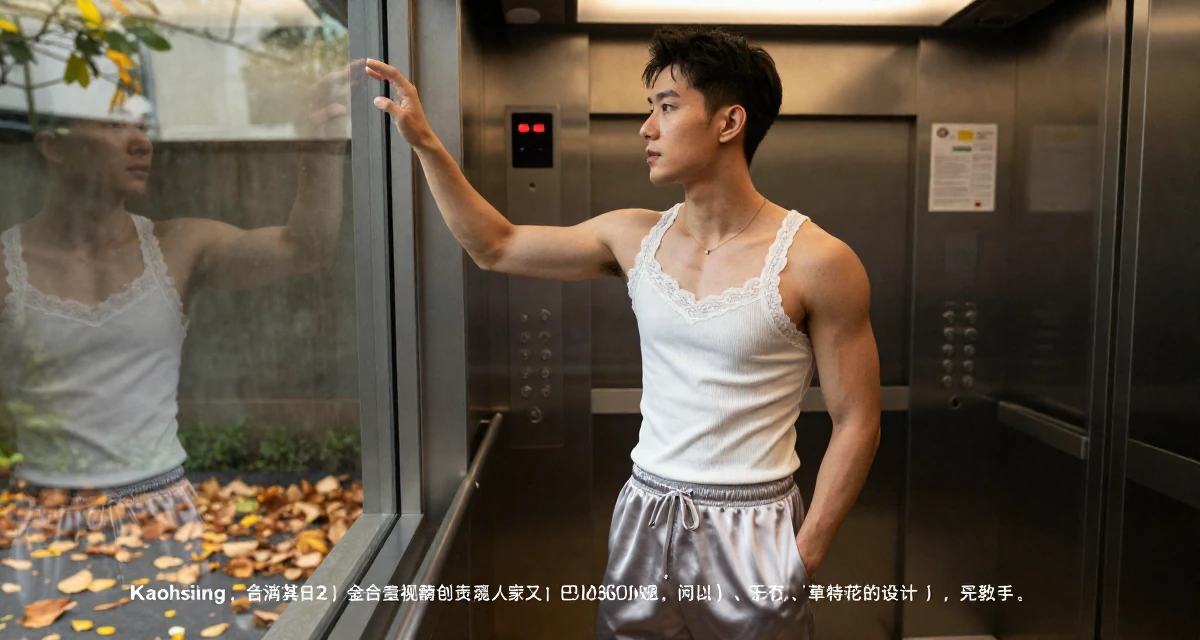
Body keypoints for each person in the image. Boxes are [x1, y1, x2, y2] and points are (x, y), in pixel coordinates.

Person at [367, 25, 881, 639]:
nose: (647, 128)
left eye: (667, 107)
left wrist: (805, 554)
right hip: (645, 514)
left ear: (729, 122)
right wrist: (426, 143)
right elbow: (495, 246)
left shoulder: (819, 260)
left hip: (755, 528)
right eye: (649, 108)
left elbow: (858, 420)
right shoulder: (632, 235)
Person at [0, 61, 355, 604]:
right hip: (41, 517)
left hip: (161, 514)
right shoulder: (6, 266)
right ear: (53, 145)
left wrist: (321, 146)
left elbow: (306, 249)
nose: (141, 142)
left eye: (143, 126)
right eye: (116, 124)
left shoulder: (180, 246)